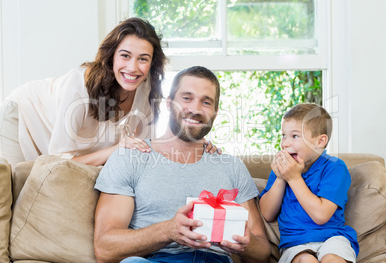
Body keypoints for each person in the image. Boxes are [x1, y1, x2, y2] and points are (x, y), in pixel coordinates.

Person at [93, 66, 271, 263]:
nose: (195, 109)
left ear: (215, 112)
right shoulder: (129, 159)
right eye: (187, 98)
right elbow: (104, 249)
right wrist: (168, 231)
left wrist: (246, 243)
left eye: (206, 102)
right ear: (169, 104)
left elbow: (262, 253)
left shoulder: (232, 167)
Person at [0, 17, 218, 169]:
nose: (133, 68)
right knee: (10, 189)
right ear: (111, 56)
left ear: (152, 64)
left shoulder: (147, 91)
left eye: (143, 59)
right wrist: (115, 149)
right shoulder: (79, 85)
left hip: (66, 150)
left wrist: (196, 144)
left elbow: (147, 147)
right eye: (125, 56)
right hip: (24, 117)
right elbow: (56, 161)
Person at [259, 103, 359, 263]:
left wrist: (294, 178)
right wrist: (280, 178)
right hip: (295, 244)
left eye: (295, 136)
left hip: (333, 238)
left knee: (333, 259)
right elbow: (266, 213)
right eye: (283, 135)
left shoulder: (334, 167)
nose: (285, 143)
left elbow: (321, 215)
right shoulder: (282, 170)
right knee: (306, 261)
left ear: (320, 141)